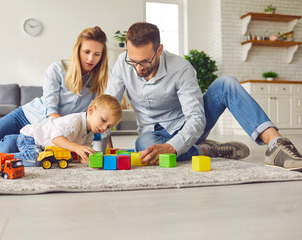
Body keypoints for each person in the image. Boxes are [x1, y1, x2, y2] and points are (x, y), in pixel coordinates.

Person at [105, 22, 302, 170]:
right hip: (151, 133)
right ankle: (207, 150)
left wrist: (172, 147)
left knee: (227, 83)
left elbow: (197, 118)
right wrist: (100, 148)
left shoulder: (181, 68)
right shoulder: (123, 64)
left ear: (159, 50)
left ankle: (277, 145)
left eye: (145, 62)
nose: (138, 68)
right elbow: (106, 107)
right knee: (144, 146)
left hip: (188, 127)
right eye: (133, 61)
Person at [0, 26, 109, 159]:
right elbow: (51, 110)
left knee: (1, 154)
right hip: (26, 118)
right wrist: (65, 137)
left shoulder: (98, 82)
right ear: (78, 50)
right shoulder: (57, 69)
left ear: (102, 56)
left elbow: (101, 118)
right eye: (86, 52)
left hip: (43, 135)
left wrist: (108, 149)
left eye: (97, 54)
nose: (90, 59)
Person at [0, 94, 122, 166]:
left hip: (44, 146)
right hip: (31, 137)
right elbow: (56, 139)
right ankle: (4, 159)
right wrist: (77, 148)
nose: (105, 128)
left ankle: (11, 144)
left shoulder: (90, 134)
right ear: (91, 110)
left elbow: (80, 154)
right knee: (36, 159)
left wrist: (87, 159)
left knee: (63, 158)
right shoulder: (74, 121)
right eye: (104, 121)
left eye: (109, 126)